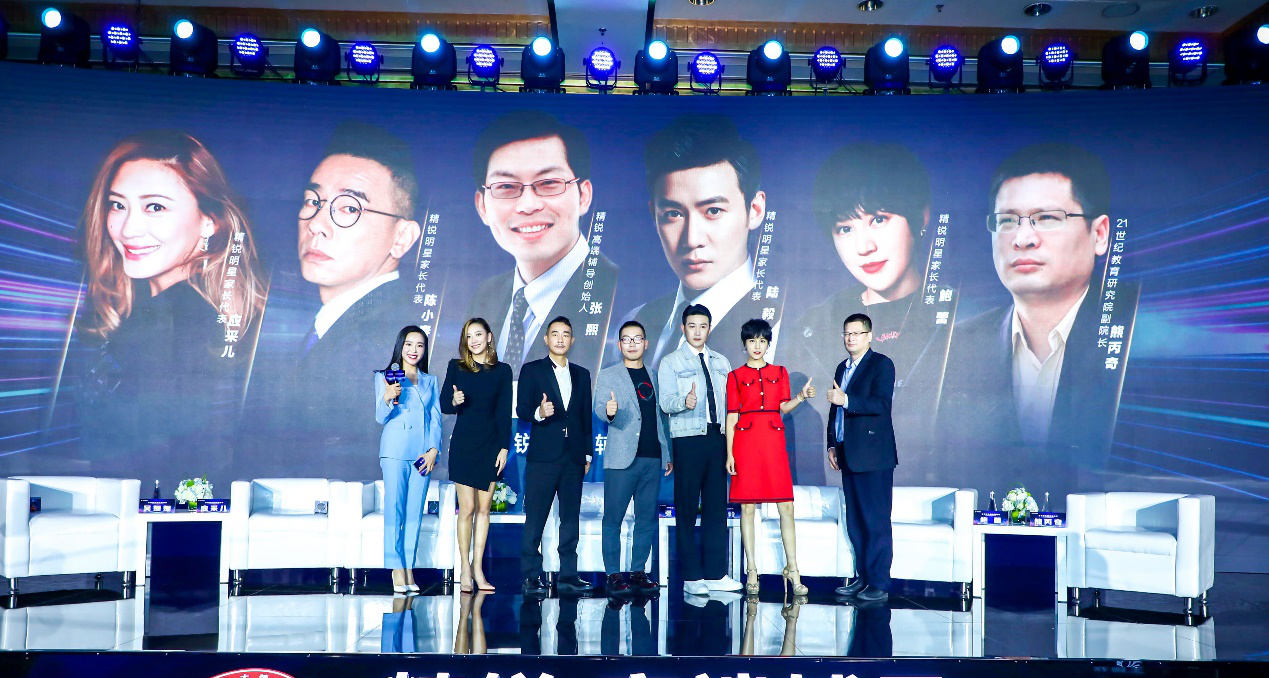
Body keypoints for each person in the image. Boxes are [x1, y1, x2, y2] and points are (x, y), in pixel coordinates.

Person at [938, 143, 1136, 495]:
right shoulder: (953, 348)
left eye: (1046, 218)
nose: (1023, 239)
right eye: (1007, 221)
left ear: (1100, 234)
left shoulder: (1137, 340)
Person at [75, 130, 266, 487]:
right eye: (118, 205)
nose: (128, 229)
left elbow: (161, 465)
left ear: (209, 221)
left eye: (155, 207)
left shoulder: (173, 322)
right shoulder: (191, 314)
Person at [244, 120, 421, 476]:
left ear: (401, 237)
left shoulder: (396, 337)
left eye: (349, 208)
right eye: (312, 201)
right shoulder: (302, 324)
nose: (316, 224)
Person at [785, 143, 951, 468]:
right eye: (845, 228)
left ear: (921, 216)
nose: (864, 247)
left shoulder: (964, 317)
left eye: (878, 219)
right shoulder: (812, 327)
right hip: (846, 463)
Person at [466, 110, 618, 376]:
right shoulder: (484, 297)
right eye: (506, 187)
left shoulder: (616, 289)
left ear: (583, 196)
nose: (528, 205)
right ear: (482, 207)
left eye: (548, 183)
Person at [628, 115, 778, 370]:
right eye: (673, 214)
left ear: (755, 210)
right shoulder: (636, 320)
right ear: (654, 215)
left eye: (713, 211)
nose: (692, 239)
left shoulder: (780, 328)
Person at [725, 318, 816, 597]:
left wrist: (801, 397)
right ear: (744, 344)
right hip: (746, 444)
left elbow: (783, 407)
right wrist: (729, 453)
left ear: (768, 344)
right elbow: (731, 417)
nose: (757, 346)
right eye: (752, 340)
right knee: (748, 508)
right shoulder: (735, 376)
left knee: (786, 506)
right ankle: (752, 570)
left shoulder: (780, 371)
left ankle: (793, 569)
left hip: (774, 444)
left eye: (762, 341)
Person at [657, 303, 743, 595]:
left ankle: (716, 573)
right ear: (683, 328)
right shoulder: (671, 362)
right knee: (686, 507)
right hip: (688, 438)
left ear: (709, 328)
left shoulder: (721, 361)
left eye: (703, 326)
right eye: (692, 326)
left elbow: (732, 404)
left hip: (717, 437)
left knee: (716, 507)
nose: (697, 331)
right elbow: (665, 402)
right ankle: (692, 577)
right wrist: (684, 402)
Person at [591, 321, 672, 597]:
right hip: (621, 459)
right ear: (619, 345)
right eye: (626, 339)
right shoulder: (608, 375)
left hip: (652, 457)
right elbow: (599, 408)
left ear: (646, 344)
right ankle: (613, 575)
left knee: (646, 519)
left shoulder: (655, 376)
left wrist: (666, 452)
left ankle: (639, 572)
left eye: (638, 339)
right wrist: (609, 411)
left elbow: (660, 419)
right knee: (612, 518)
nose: (632, 344)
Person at [516, 316, 595, 596]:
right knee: (535, 518)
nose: (560, 339)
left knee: (570, 518)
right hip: (543, 458)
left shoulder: (582, 374)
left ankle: (569, 575)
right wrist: (539, 413)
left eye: (565, 334)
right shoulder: (532, 370)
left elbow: (585, 417)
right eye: (555, 334)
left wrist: (587, 453)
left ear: (572, 340)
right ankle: (531, 576)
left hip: (573, 458)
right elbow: (522, 408)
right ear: (546, 339)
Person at [826, 313, 897, 604]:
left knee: (875, 520)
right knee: (855, 522)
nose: (850, 338)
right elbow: (835, 410)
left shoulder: (881, 364)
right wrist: (832, 444)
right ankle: (863, 577)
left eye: (856, 333)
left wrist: (846, 400)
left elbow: (881, 404)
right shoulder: (842, 367)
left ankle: (878, 582)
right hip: (848, 454)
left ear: (869, 336)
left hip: (873, 457)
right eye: (847, 333)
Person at [441, 317, 514, 593]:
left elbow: (504, 411)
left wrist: (504, 447)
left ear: (489, 337)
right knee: (467, 508)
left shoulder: (502, 371)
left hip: (491, 445)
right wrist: (454, 400)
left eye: (478, 335)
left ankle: (478, 569)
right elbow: (444, 404)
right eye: (469, 336)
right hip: (464, 444)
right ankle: (464, 568)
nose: (473, 341)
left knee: (484, 509)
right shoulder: (456, 367)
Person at [375, 325, 442, 594]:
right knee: (395, 509)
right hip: (394, 451)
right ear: (400, 346)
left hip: (422, 455)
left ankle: (409, 567)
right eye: (409, 344)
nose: (414, 350)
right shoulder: (385, 376)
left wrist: (433, 450)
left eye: (420, 345)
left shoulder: (430, 381)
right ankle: (396, 568)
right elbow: (380, 417)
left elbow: (435, 418)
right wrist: (387, 397)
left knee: (415, 512)